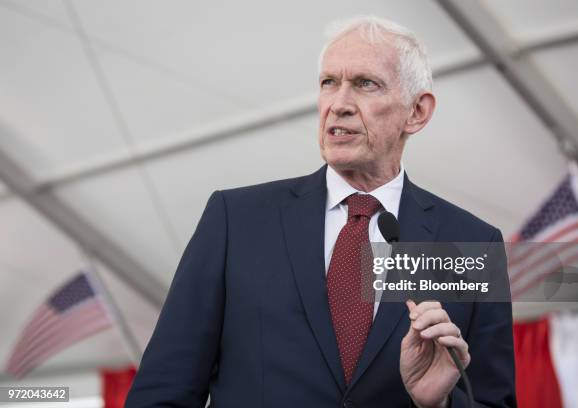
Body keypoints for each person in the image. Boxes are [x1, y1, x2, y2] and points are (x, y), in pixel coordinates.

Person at [126, 16, 516, 408]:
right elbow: (163, 393)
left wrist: (442, 405)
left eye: (365, 84)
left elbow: (493, 400)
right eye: (329, 82)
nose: (339, 104)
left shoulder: (470, 245)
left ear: (417, 112)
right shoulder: (236, 221)